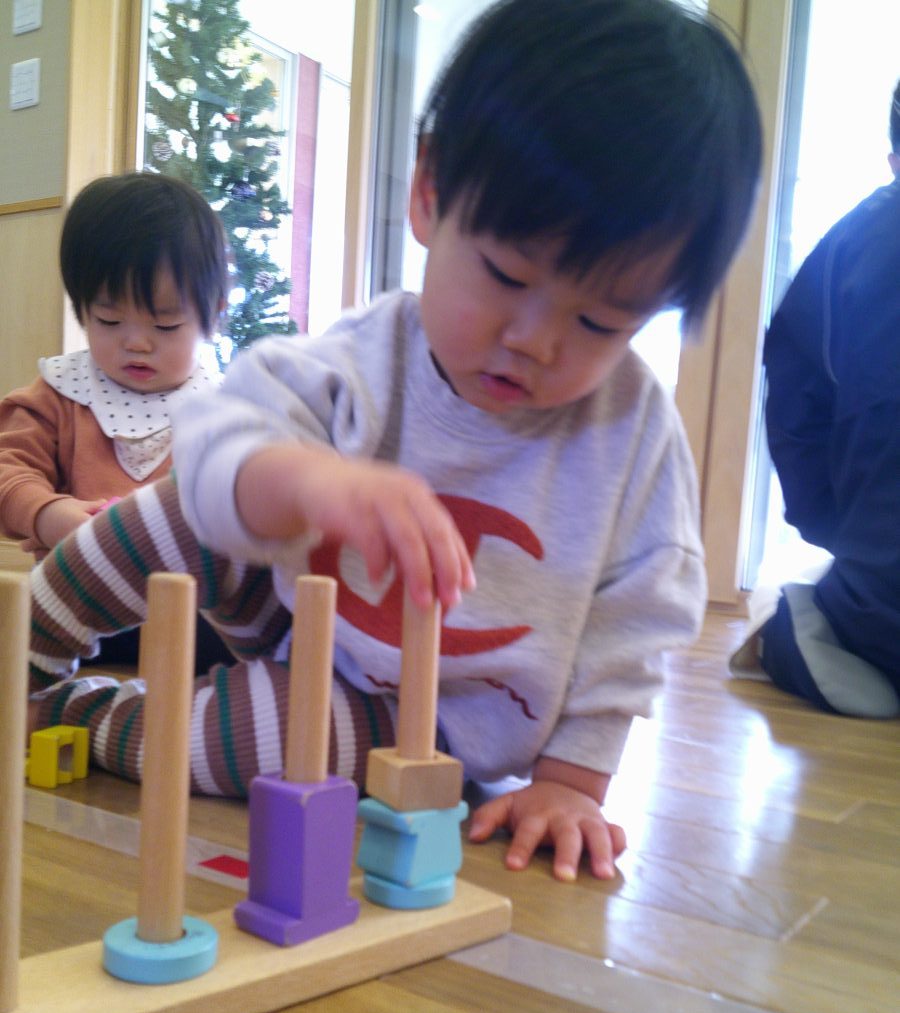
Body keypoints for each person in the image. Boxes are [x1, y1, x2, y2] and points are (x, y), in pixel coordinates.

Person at [27, 0, 762, 882]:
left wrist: (572, 782)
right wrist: (306, 483)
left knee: (263, 738)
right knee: (181, 508)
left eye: (602, 321)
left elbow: (637, 621)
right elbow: (220, 430)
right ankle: (19, 648)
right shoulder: (366, 358)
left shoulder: (632, 433)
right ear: (428, 194)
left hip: (426, 719)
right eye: (506, 276)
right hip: (298, 609)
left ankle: (70, 715)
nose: (533, 340)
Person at [0, 170, 232, 668]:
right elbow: (7, 469)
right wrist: (47, 514)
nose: (136, 342)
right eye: (108, 320)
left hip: (187, 613)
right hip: (74, 603)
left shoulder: (225, 412)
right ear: (81, 308)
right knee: (15, 624)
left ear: (213, 313)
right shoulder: (60, 393)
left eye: (166, 324)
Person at [730, 80, 900, 718]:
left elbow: (796, 411)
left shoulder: (855, 244)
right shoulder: (864, 249)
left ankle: (827, 616)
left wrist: (836, 530)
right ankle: (828, 618)